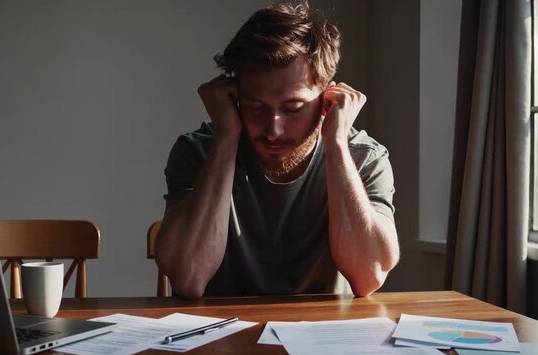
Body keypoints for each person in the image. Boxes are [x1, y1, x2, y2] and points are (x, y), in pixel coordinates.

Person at [155, 0, 399, 299]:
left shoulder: (364, 157)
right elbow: (188, 278)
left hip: (325, 337)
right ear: (233, 97)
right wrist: (227, 136)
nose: (273, 129)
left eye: (293, 108)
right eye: (256, 108)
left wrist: (335, 144)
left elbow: (368, 276)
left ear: (327, 100)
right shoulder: (198, 152)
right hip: (222, 338)